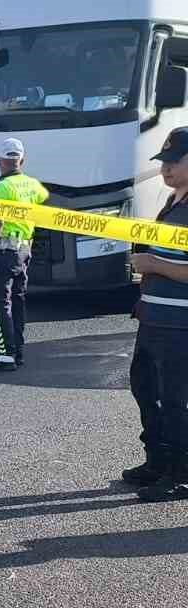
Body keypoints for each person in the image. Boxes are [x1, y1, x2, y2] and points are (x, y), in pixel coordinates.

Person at [126, 126, 188, 501]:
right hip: (153, 319)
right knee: (146, 390)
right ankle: (158, 461)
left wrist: (153, 264)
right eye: (163, 161)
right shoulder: (172, 202)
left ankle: (181, 473)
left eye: (174, 161)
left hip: (180, 325)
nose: (165, 169)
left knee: (177, 400)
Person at [0, 138, 48, 372]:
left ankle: (5, 355)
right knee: (17, 301)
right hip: (23, 250)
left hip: (3, 250)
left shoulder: (2, 188)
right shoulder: (32, 184)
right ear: (22, 160)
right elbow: (42, 199)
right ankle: (17, 351)